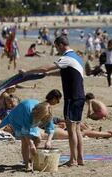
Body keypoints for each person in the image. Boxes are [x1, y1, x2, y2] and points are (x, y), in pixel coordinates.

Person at [21, 36, 86, 167]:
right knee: (77, 128)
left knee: (71, 129)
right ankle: (80, 158)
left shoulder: (67, 57)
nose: (56, 50)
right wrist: (49, 75)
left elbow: (46, 67)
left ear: (61, 45)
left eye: (56, 47)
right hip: (80, 96)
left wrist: (27, 72)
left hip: (71, 97)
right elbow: (65, 72)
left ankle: (73, 160)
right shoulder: (77, 58)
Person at [0, 89, 62, 171]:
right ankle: (27, 164)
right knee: (25, 142)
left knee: (38, 139)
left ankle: (32, 160)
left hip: (31, 119)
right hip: (18, 118)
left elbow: (51, 128)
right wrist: (31, 144)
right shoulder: (29, 113)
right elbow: (25, 131)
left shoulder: (47, 111)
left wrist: (48, 141)